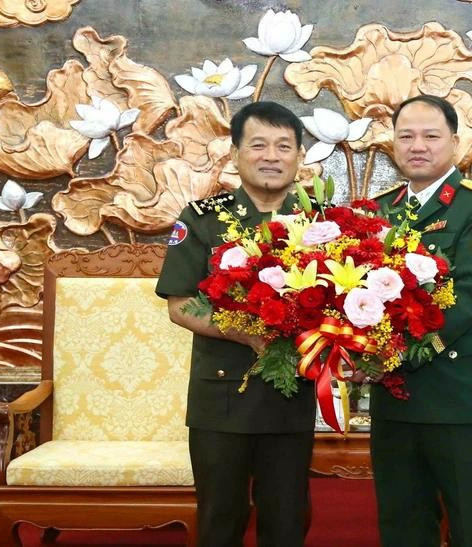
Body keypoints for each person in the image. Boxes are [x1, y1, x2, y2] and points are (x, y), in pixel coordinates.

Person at [155, 101, 316, 547]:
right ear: (234, 154)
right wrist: (246, 332)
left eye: (284, 146)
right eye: (258, 144)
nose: (271, 156)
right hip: (221, 398)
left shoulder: (321, 223)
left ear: (299, 156)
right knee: (220, 520)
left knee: (288, 521)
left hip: (291, 398)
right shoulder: (202, 219)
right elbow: (181, 304)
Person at [368, 94, 472, 547]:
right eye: (406, 136)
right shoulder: (377, 211)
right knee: (402, 523)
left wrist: (388, 353)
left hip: (460, 393)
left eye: (431, 136)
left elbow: (468, 297)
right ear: (393, 143)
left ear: (453, 142)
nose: (418, 146)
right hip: (396, 396)